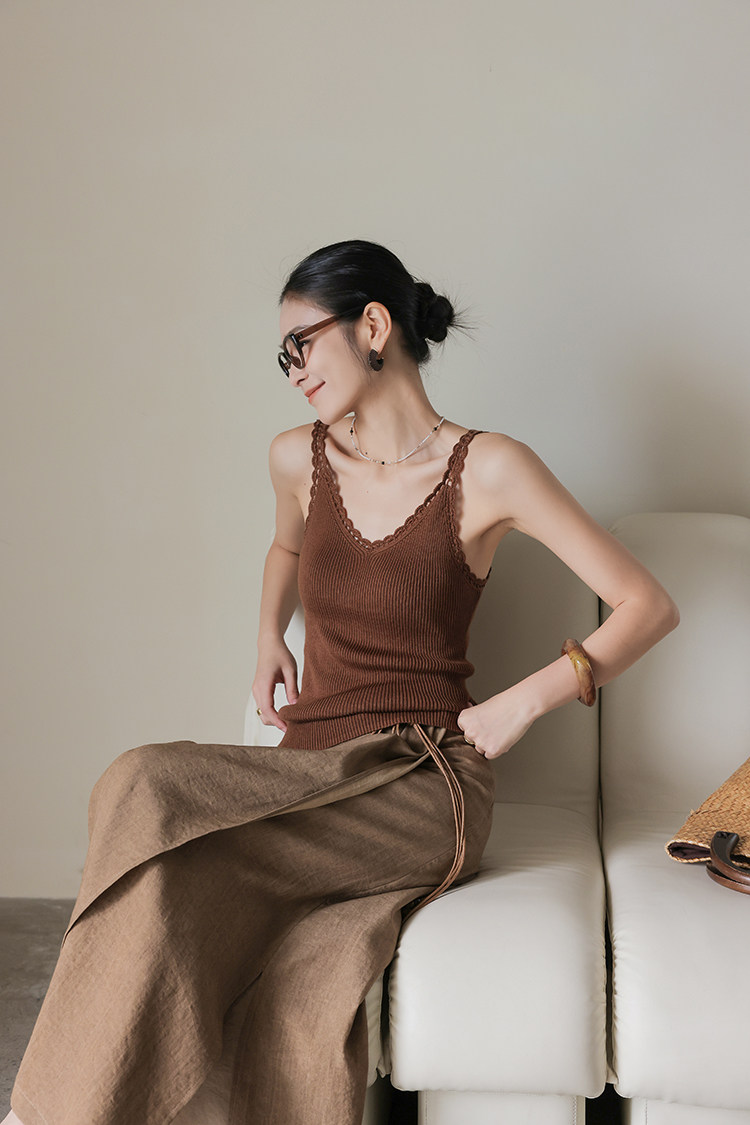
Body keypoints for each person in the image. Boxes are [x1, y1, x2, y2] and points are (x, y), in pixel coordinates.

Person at [5, 238, 679, 1125]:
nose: (292, 370)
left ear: (373, 326)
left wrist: (526, 700)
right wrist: (267, 636)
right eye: (281, 354)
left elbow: (647, 604)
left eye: (303, 343)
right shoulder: (298, 458)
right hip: (310, 764)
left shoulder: (489, 468)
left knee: (146, 783)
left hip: (422, 776)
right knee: (211, 906)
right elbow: (285, 546)